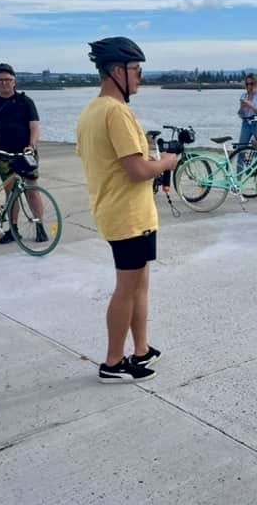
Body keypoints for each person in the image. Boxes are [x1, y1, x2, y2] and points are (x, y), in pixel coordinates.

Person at [76, 36, 181, 384]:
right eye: (136, 70)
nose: (140, 77)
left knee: (139, 285)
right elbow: (136, 170)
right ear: (116, 70)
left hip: (126, 211)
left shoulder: (92, 111)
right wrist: (166, 162)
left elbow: (116, 163)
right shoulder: (116, 113)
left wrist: (151, 162)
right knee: (127, 287)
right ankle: (112, 362)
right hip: (127, 216)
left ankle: (141, 349)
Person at [0, 63, 46, 244]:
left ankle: (40, 226)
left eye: (8, 80)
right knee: (11, 191)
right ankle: (13, 229)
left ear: (15, 81)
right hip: (4, 153)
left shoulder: (25, 101)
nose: (4, 83)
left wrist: (31, 144)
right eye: (0, 80)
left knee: (32, 189)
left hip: (26, 153)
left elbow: (34, 126)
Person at [237, 73, 257, 147]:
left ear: (256, 84)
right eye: (247, 84)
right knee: (241, 146)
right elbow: (240, 115)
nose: (249, 86)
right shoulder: (243, 96)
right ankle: (241, 159)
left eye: (251, 83)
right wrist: (242, 108)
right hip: (246, 123)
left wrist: (252, 107)